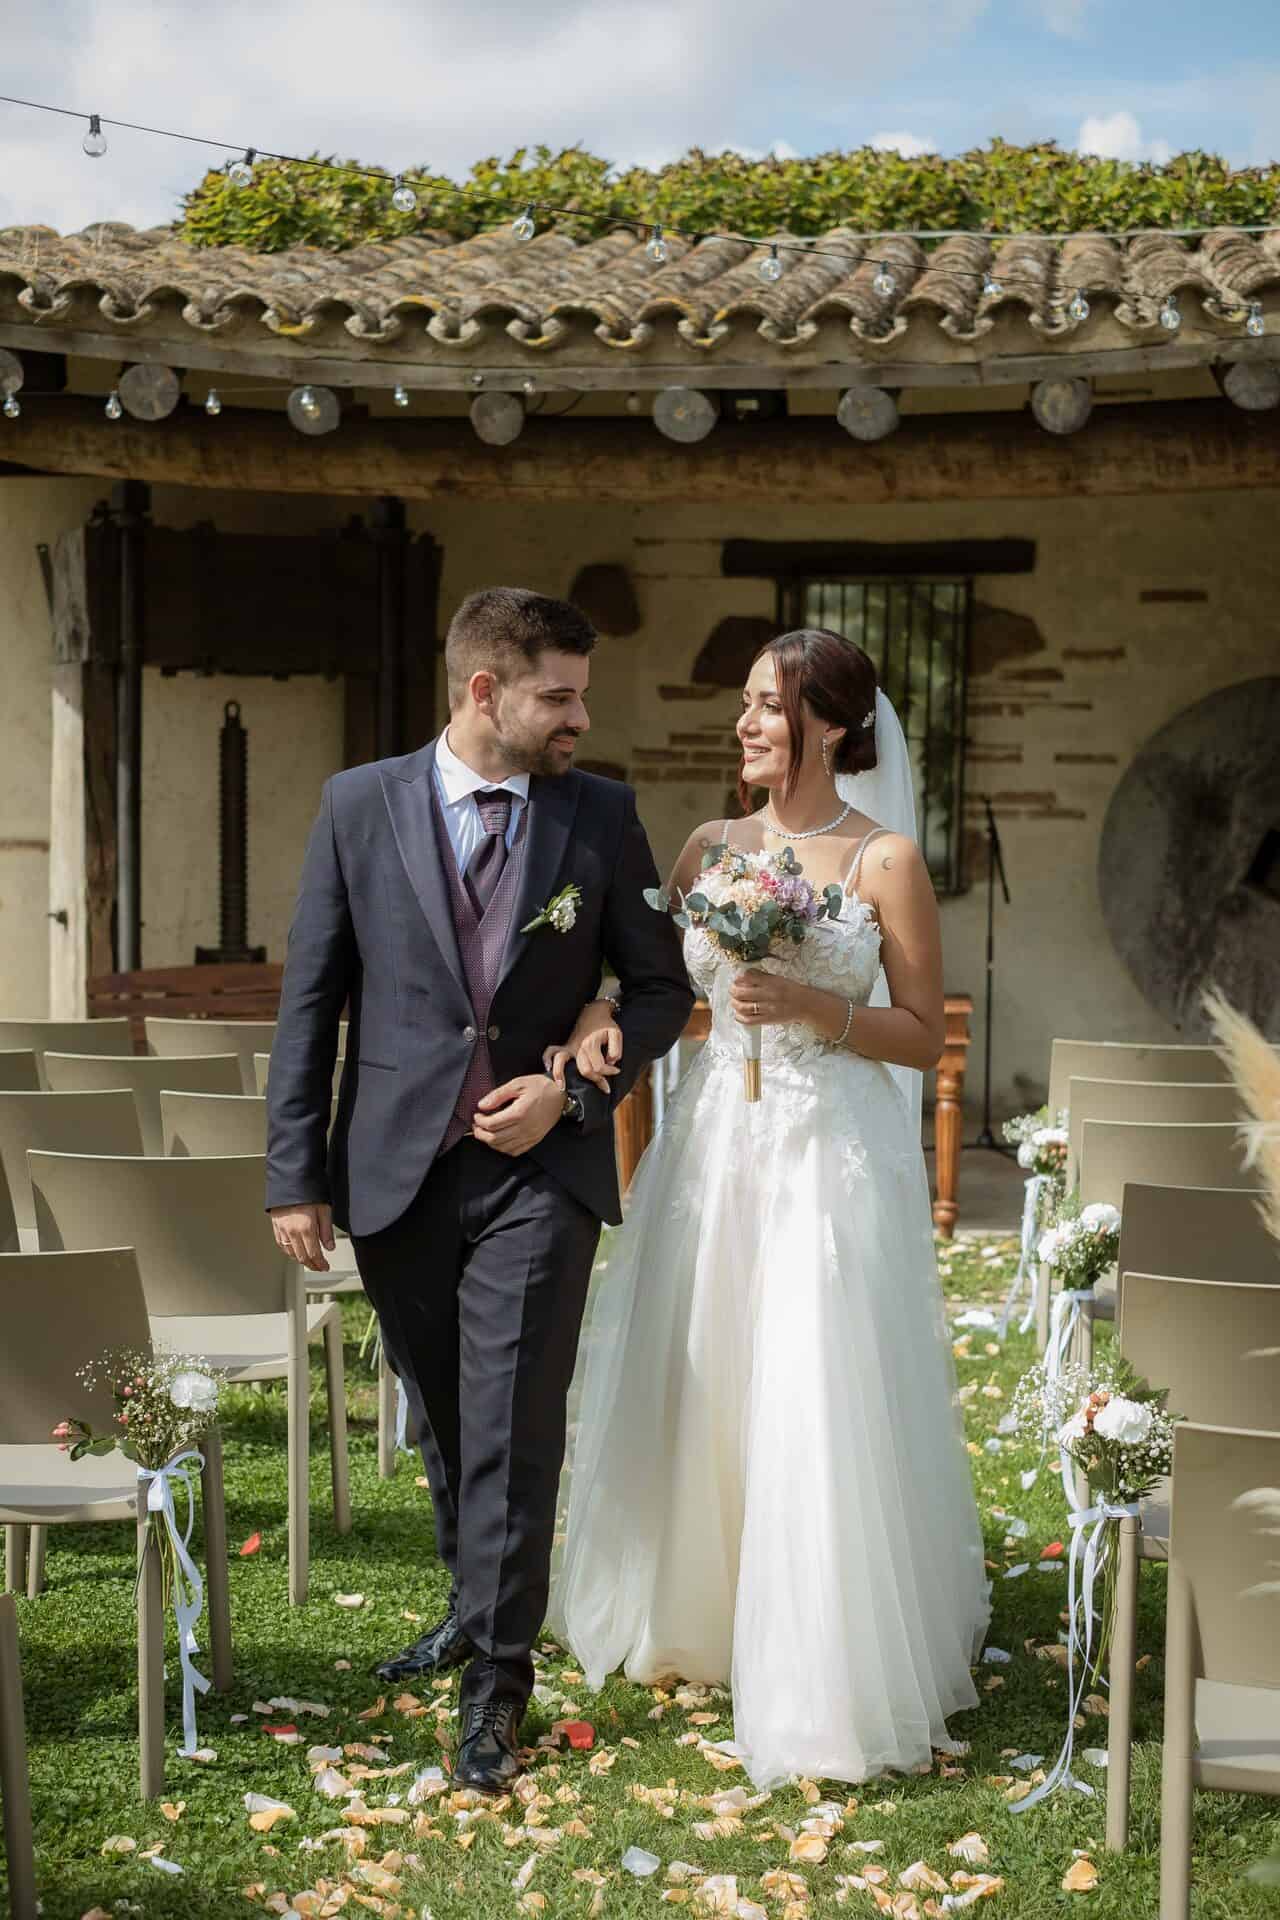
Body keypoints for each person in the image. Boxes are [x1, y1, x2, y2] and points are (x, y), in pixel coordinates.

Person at [265, 587, 693, 1794]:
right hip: (394, 1168)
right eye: (557, 696)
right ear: (483, 692)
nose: (577, 718)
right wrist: (294, 1172)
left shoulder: (601, 815)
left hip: (540, 1175)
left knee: (515, 1421)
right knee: (450, 1415)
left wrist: (574, 1089)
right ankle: (473, 1606)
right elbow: (313, 1000)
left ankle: (496, 1688)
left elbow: (655, 988)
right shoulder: (359, 806)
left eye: (581, 696)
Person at [547, 627, 991, 1789]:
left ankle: (820, 1641)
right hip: (713, 1149)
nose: (744, 724)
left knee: (808, 1375)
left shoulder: (881, 859)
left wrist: (804, 1002)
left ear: (832, 725)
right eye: (743, 703)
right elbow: (649, 982)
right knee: (704, 1359)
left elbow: (923, 1031)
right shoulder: (708, 845)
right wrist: (600, 1012)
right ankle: (698, 1607)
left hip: (822, 1151)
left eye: (765, 705)